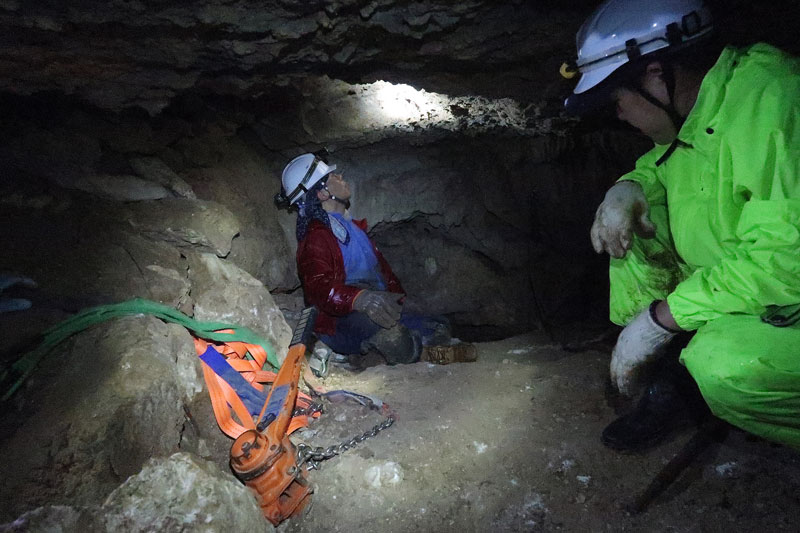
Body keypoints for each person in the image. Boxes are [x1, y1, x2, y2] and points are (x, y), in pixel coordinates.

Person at [562, 0, 800, 451]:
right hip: (756, 285)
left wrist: (661, 318)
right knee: (629, 226)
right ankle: (674, 379)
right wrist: (629, 185)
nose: (618, 115)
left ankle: (708, 376)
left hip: (791, 296)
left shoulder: (778, 102)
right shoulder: (702, 106)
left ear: (655, 73)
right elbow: (675, 160)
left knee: (724, 366)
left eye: (617, 101)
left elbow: (787, 261)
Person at [275, 152, 477, 367]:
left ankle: (386, 354)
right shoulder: (317, 236)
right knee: (392, 337)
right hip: (342, 318)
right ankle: (403, 354)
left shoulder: (352, 228)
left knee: (438, 323)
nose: (340, 177)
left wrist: (399, 300)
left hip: (373, 305)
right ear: (322, 193)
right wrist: (359, 299)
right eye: (332, 176)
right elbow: (318, 290)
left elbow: (382, 275)